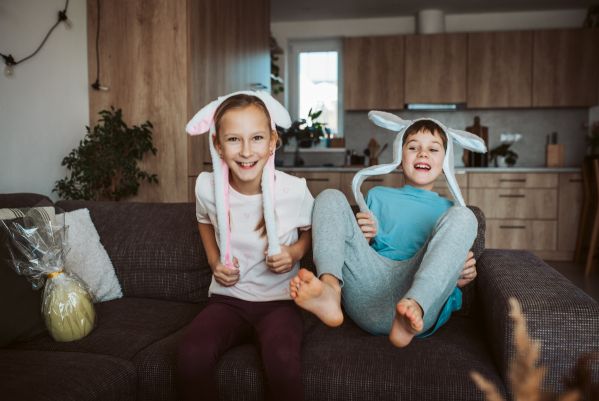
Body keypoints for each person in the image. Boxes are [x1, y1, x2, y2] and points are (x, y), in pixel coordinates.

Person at [290, 115, 485, 348]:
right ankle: (330, 291)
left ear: (446, 165)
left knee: (465, 215)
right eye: (413, 147)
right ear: (399, 159)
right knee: (328, 196)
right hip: (369, 291)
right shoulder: (376, 196)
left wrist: (456, 277)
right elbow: (361, 252)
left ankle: (414, 306)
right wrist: (362, 237)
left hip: (420, 302)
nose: (423, 154)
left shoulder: (450, 212)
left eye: (433, 149)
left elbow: (445, 268)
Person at [178, 92, 314, 401]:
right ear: (217, 145)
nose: (246, 150)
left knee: (282, 360)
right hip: (228, 301)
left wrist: (294, 253)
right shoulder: (206, 187)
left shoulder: (294, 190)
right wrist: (214, 261)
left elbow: (312, 232)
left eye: (256, 138)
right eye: (234, 140)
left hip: (280, 303)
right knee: (190, 354)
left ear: (272, 142)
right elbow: (203, 220)